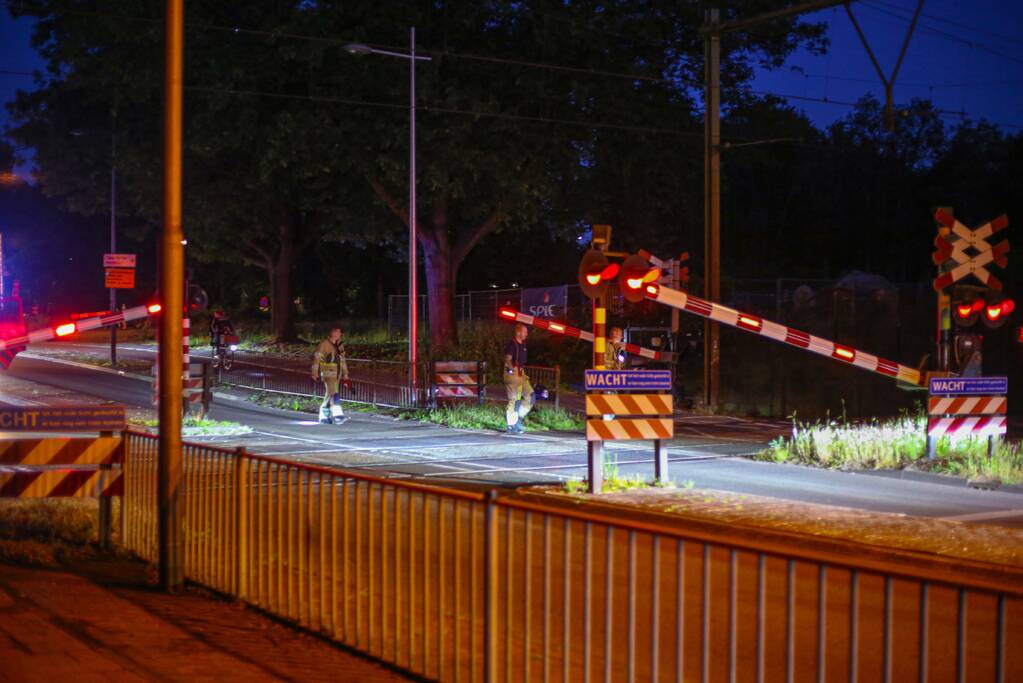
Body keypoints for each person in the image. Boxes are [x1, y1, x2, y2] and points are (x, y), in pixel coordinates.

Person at [311, 326, 351, 425]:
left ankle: (324, 416)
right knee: (333, 393)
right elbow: (317, 359)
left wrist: (346, 373)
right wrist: (314, 372)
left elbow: (342, 360)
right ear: (332, 333)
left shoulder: (340, 345)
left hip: (337, 373)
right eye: (337, 332)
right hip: (327, 372)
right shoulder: (324, 344)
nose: (339, 334)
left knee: (329, 394)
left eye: (340, 332)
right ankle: (338, 415)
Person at [503, 323, 533, 434]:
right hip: (513, 373)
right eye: (525, 332)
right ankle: (511, 425)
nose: (526, 334)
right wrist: (512, 370)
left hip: (521, 372)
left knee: (531, 396)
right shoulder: (512, 344)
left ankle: (517, 418)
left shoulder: (523, 344)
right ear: (518, 333)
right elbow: (507, 359)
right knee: (514, 400)